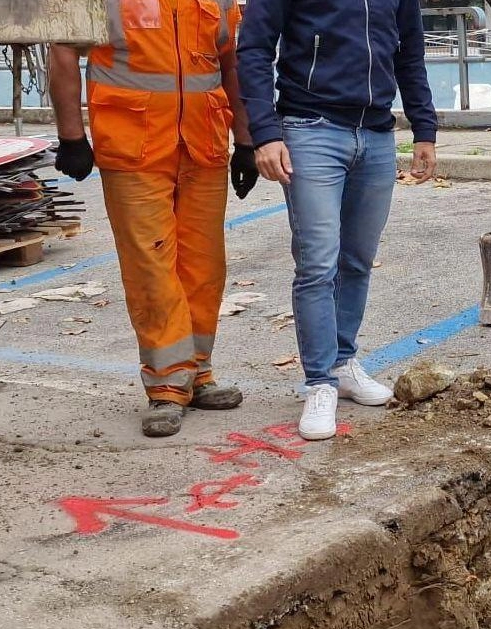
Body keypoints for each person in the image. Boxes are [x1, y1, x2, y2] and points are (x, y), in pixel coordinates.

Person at [49, 0, 260, 438]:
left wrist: (245, 139)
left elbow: (230, 63)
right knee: (151, 264)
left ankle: (197, 373)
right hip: (133, 146)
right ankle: (167, 384)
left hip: (202, 145)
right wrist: (71, 134)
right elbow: (64, 48)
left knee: (205, 265)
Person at [237, 0, 439, 441]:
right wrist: (265, 134)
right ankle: (319, 382)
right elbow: (253, 49)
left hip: (376, 134)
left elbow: (410, 52)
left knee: (357, 260)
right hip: (311, 128)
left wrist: (424, 128)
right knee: (317, 263)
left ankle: (343, 363)